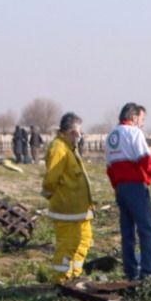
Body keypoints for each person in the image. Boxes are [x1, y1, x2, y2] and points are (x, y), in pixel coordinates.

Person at [104, 102, 151, 280]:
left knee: (127, 230)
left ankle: (130, 270)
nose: (142, 123)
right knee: (146, 229)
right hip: (136, 186)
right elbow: (146, 162)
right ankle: (147, 270)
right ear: (134, 117)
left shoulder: (111, 136)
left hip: (121, 188)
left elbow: (109, 168)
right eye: (142, 119)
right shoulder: (134, 133)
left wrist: (117, 187)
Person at [43, 112, 95, 283]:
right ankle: (61, 280)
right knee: (68, 244)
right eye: (79, 132)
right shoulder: (58, 148)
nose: (80, 136)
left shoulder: (69, 148)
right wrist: (51, 195)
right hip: (67, 210)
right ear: (72, 131)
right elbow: (51, 178)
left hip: (79, 210)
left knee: (84, 240)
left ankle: (74, 275)